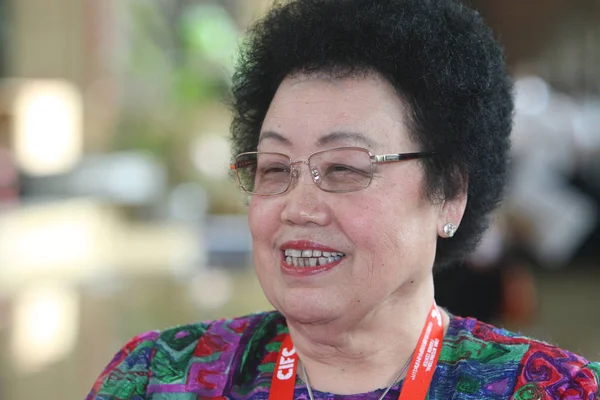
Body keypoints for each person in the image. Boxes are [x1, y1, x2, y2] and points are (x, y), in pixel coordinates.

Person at [86, 0, 600, 398]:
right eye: (274, 169)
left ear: (449, 195)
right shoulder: (157, 377)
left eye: (345, 168)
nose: (298, 206)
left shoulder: (552, 389)